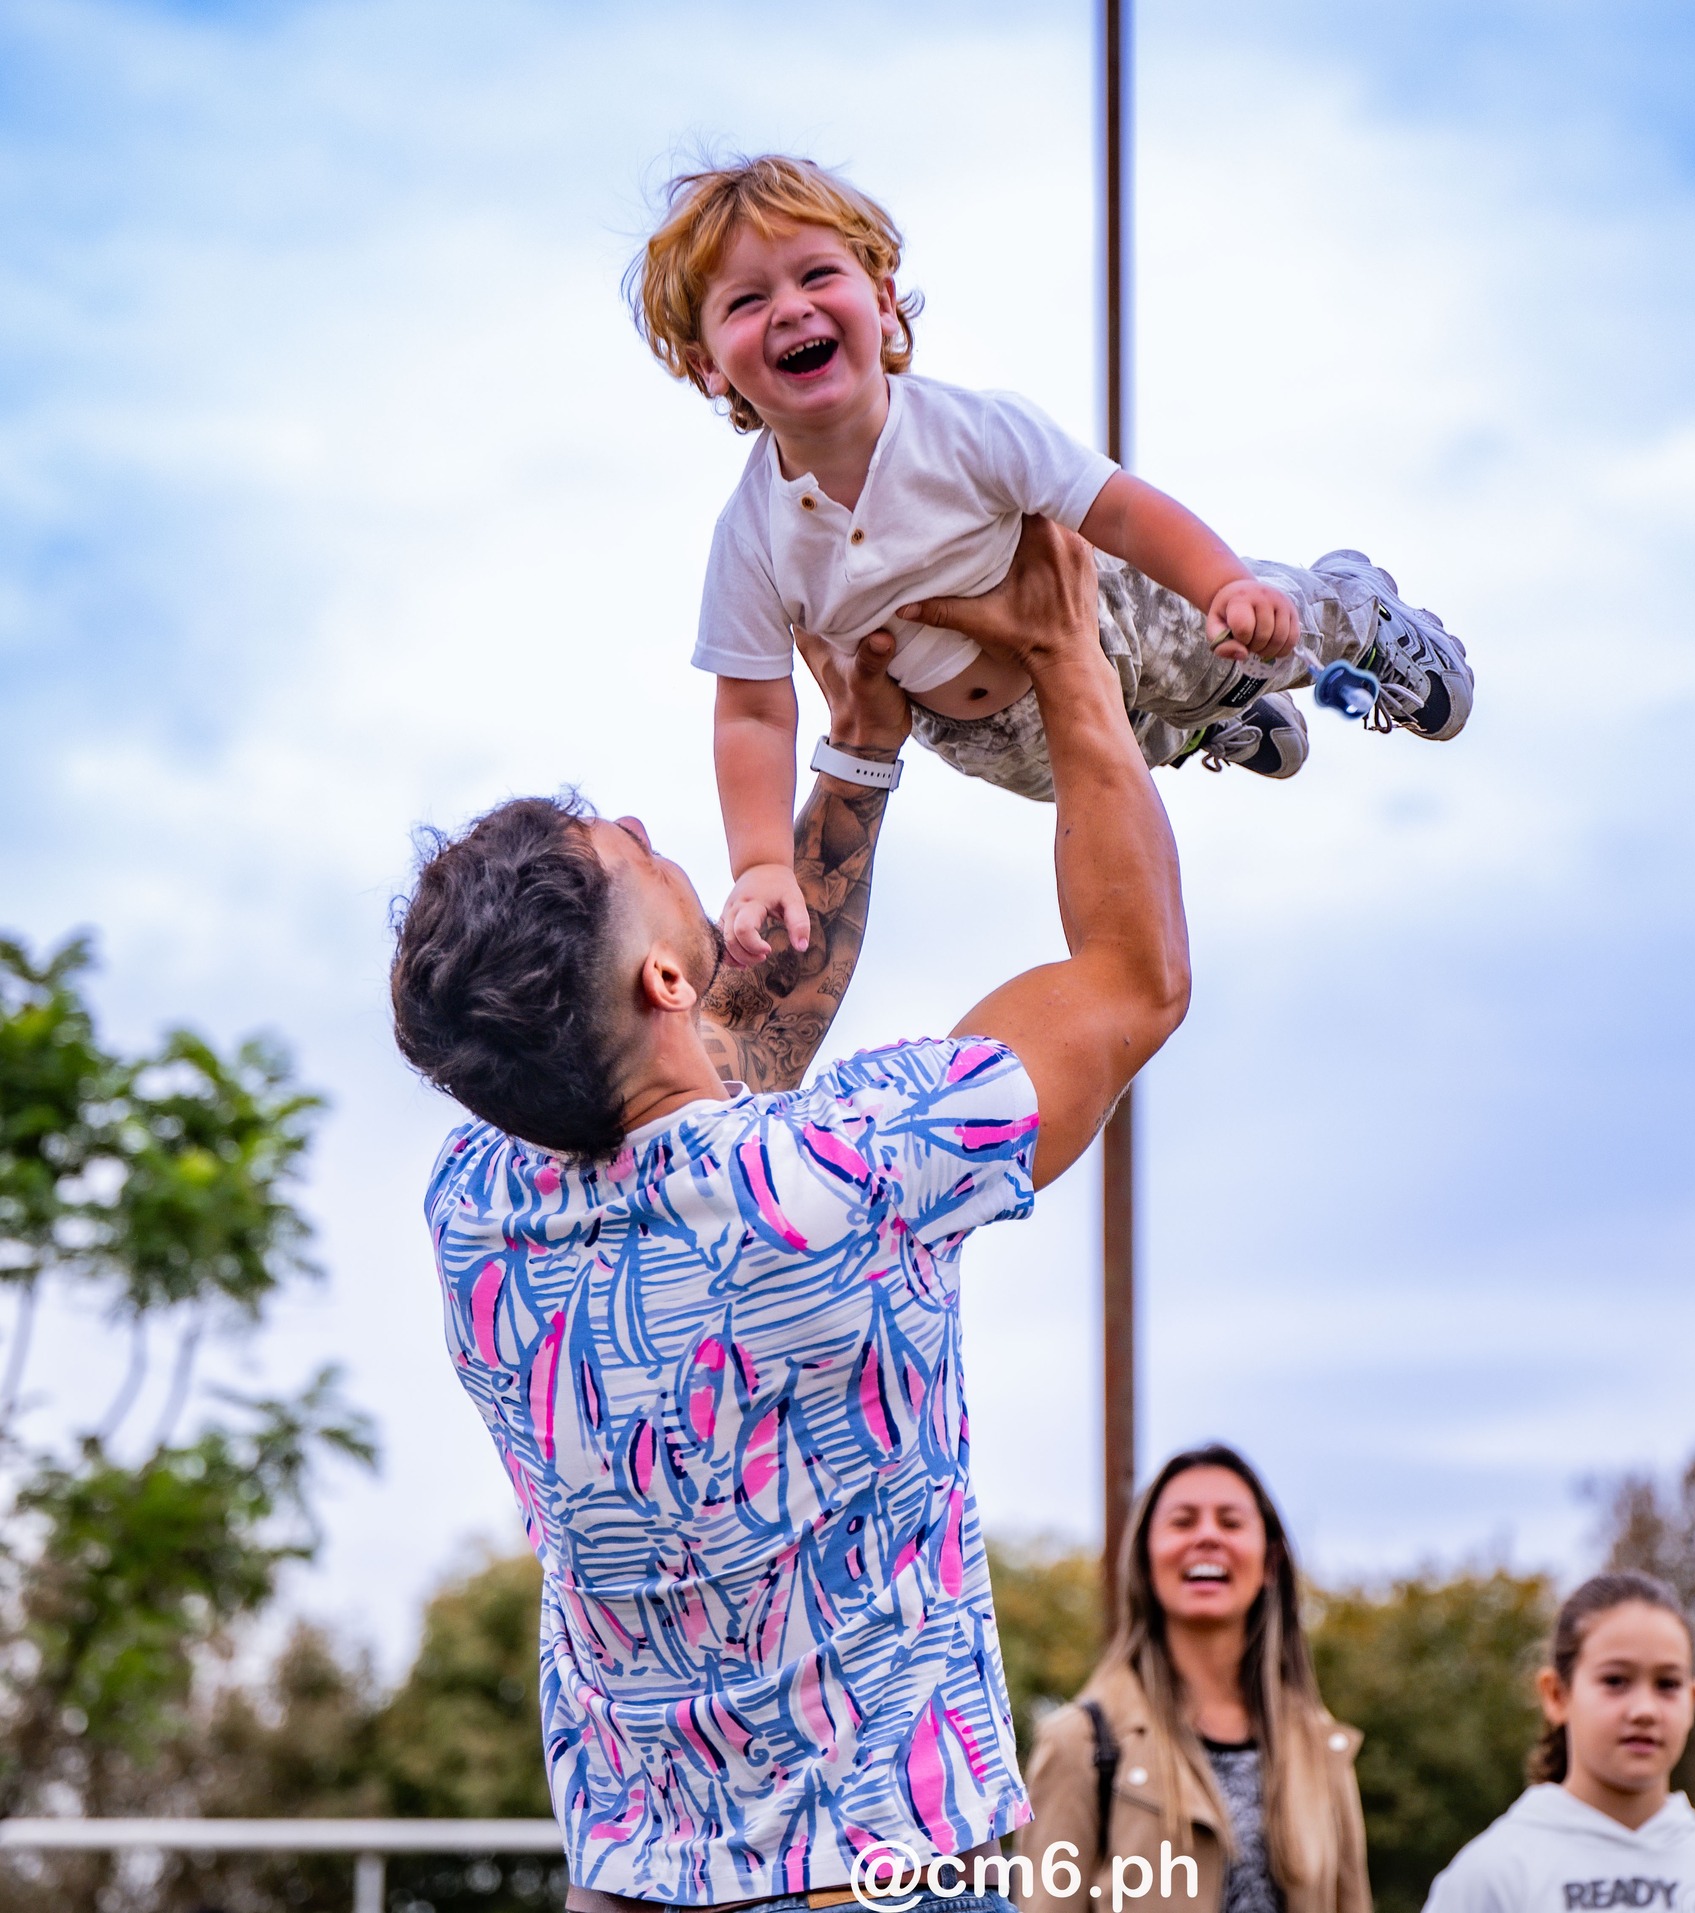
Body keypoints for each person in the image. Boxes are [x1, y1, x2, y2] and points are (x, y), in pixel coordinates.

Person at [388, 518, 1191, 1912]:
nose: (650, 827)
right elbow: (1130, 980)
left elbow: (709, 1083)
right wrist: (1070, 661)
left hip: (631, 1882)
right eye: (630, 848)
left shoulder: (475, 1210)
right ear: (656, 984)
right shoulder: (851, 1170)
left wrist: (858, 761)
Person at [629, 153, 1476, 964]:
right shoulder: (749, 536)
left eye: (818, 276)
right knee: (1093, 772)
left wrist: (1225, 583)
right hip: (984, 730)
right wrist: (761, 862)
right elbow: (753, 710)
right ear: (709, 367)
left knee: (1230, 651)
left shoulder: (967, 432)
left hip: (1114, 613)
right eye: (746, 301)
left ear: (883, 304)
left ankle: (1355, 617)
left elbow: (1121, 509)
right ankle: (1208, 729)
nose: (790, 308)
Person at [1015, 1446, 1371, 1913]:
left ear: (1270, 1561)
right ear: (1144, 1558)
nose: (1207, 1537)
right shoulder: (1080, 1745)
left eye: (1231, 1522)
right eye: (1183, 1522)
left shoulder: (1321, 1749)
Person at [1421, 1573, 1695, 1913]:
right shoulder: (1490, 1876)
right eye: (1615, 1680)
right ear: (1557, 1695)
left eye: (1667, 1684)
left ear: (1693, 1699)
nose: (1644, 1710)